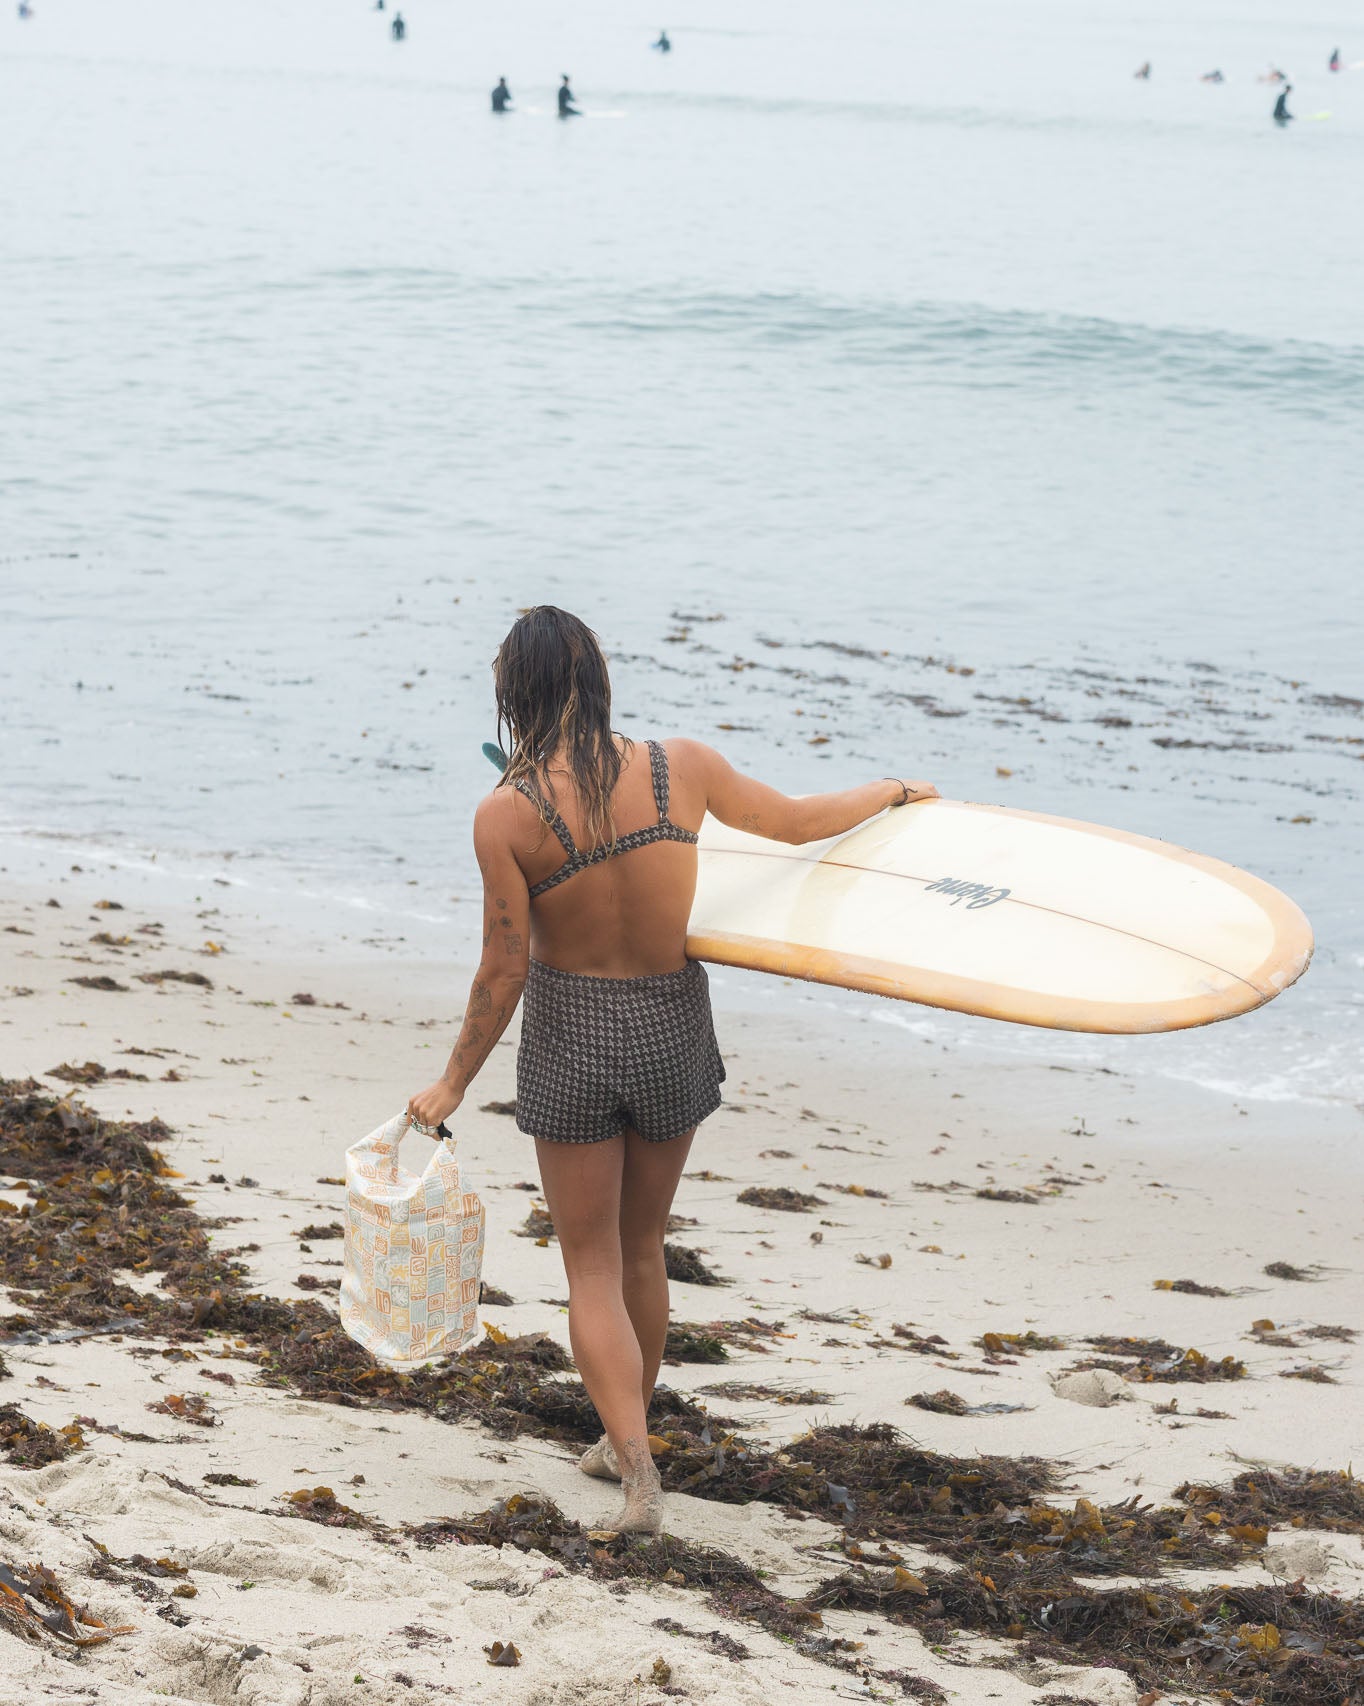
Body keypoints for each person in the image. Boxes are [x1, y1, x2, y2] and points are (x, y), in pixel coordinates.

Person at [406, 608, 937, 1534]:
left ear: (515, 695)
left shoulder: (506, 814)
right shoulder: (679, 767)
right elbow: (798, 824)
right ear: (598, 679)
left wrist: (452, 1082)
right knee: (644, 1245)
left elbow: (503, 967)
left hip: (572, 1034)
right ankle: (623, 1440)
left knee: (592, 1267)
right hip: (668, 1027)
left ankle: (638, 1472)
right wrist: (892, 790)